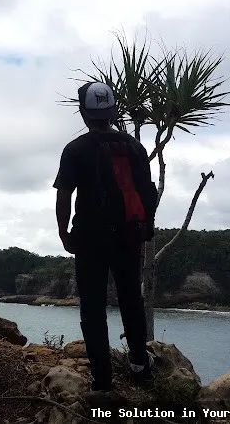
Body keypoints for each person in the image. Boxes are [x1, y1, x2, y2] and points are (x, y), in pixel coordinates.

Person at [53, 81, 158, 392]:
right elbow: (147, 193)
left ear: (83, 113)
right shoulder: (135, 148)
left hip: (90, 238)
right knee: (131, 299)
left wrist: (64, 233)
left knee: (93, 307)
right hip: (129, 236)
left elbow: (64, 196)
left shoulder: (75, 150)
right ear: (113, 112)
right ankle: (140, 364)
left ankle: (102, 381)